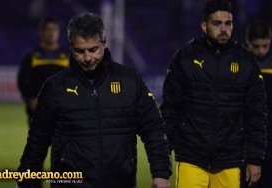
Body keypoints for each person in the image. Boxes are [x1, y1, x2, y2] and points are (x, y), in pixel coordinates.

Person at [17, 12, 172, 188]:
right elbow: (38, 139)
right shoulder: (55, 87)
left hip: (119, 183)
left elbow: (153, 129)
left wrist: (161, 173)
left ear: (104, 44)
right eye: (80, 51)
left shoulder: (129, 80)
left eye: (93, 49)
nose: (88, 58)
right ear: (71, 48)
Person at [160, 0, 267, 187]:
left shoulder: (247, 62)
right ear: (204, 25)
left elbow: (256, 114)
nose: (224, 29)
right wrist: (163, 155)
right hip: (191, 157)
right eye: (217, 24)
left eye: (228, 23)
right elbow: (170, 109)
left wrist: (254, 158)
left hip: (230, 159)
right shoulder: (185, 58)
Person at [246, 20, 272, 188]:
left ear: (270, 39)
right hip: (243, 141)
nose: (261, 51)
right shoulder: (239, 64)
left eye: (265, 45)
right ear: (248, 41)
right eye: (256, 46)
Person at [17, 17, 70, 124]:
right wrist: (32, 101)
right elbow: (23, 81)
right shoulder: (32, 56)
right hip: (38, 109)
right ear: (41, 32)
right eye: (48, 29)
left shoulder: (67, 56)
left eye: (54, 29)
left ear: (59, 32)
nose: (51, 33)